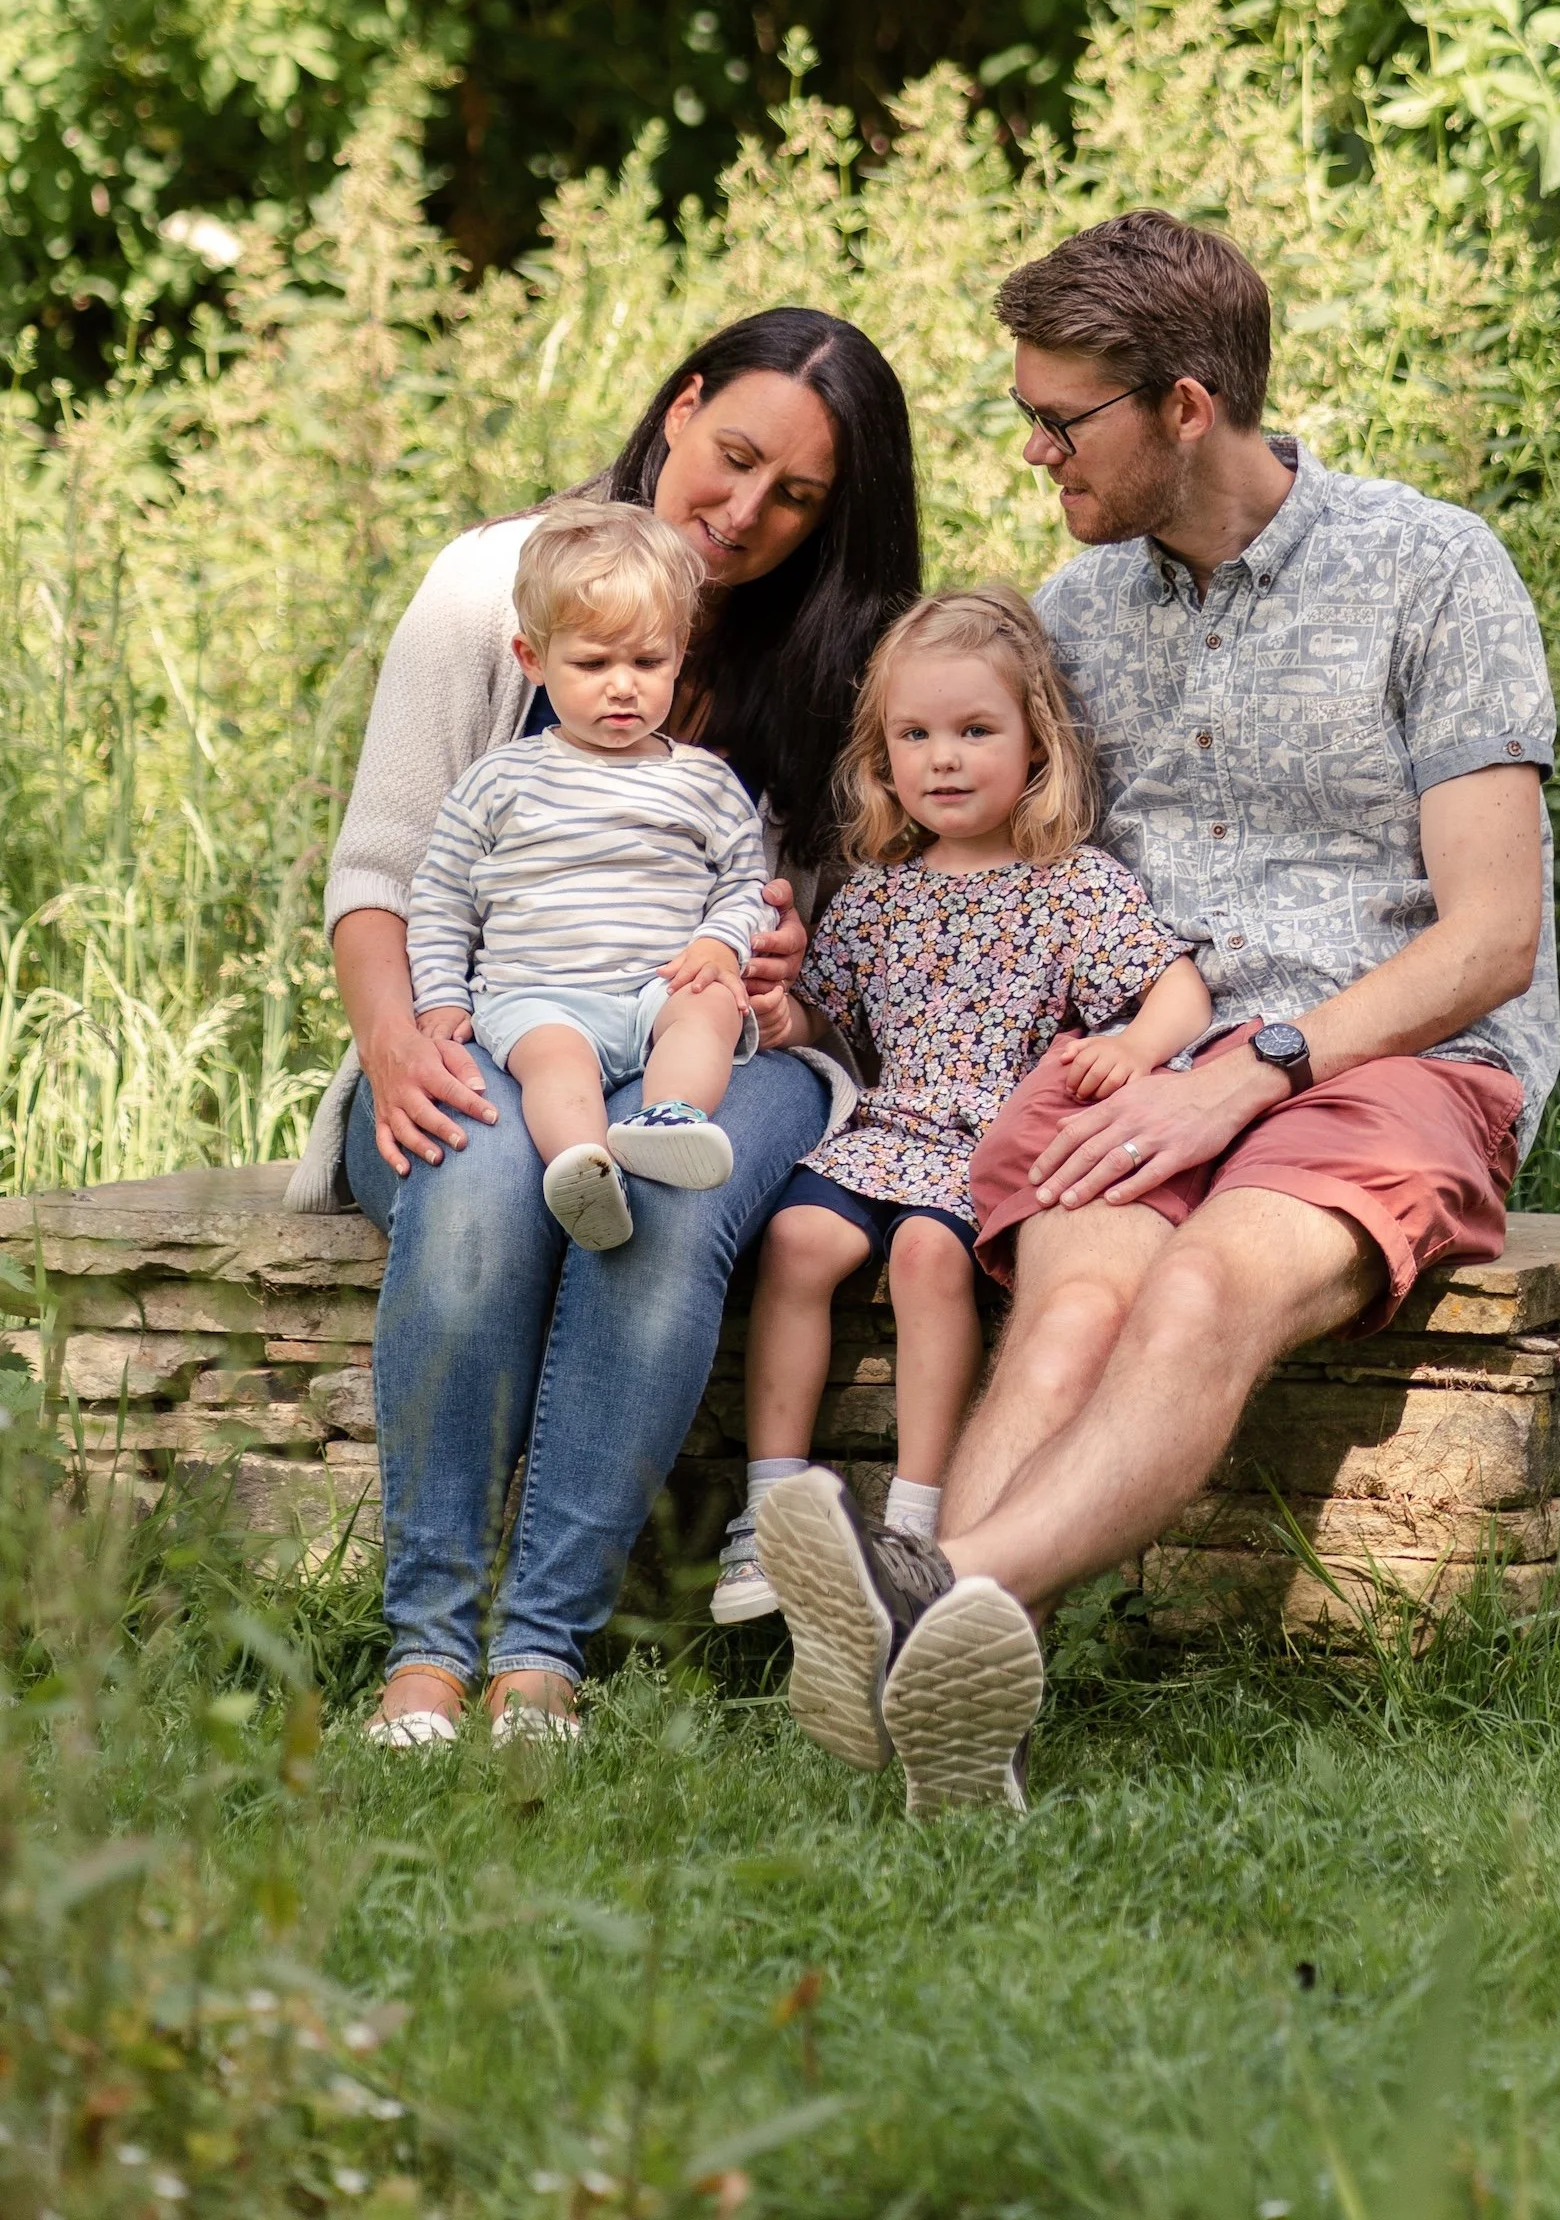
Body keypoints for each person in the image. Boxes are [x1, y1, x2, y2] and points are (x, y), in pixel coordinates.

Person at [755, 211, 1559, 1817]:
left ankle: (922, 1591)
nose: (1037, 450)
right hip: (1133, 1056)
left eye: (1064, 421)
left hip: (1386, 1058)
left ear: (1188, 406)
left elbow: (1492, 937)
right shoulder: (1079, 613)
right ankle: (965, 1733)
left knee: (1199, 1297)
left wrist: (1256, 1066)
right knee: (1061, 1318)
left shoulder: (1432, 569)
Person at [284, 307, 921, 1750]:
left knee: (661, 1200)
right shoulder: (493, 591)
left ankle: (542, 1657)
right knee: (484, 1176)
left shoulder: (842, 656)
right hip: (495, 1017)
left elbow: (849, 950)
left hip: (716, 1041)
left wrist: (783, 983)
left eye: (797, 496)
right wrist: (398, 1039)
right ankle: (427, 1647)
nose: (744, 511)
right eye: (734, 454)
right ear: (681, 406)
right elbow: (387, 869)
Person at [721, 588, 1209, 1694]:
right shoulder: (871, 897)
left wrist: (1135, 1053)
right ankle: (765, 1501)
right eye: (915, 736)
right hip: (882, 1126)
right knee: (796, 1243)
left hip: (986, 1142)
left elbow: (1175, 991)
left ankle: (916, 1515)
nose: (943, 760)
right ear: (881, 754)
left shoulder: (1070, 884)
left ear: (1035, 742)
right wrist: (781, 1017)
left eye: (975, 731)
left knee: (928, 1256)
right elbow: (831, 1022)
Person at [406, 504, 774, 1248]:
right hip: (540, 992)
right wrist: (441, 999)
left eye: (647, 662)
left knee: (711, 1009)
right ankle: (584, 1168)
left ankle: (668, 1119)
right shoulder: (499, 781)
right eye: (592, 664)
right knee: (555, 1066)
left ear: (680, 656)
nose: (622, 687)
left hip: (655, 986)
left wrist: (720, 945)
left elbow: (745, 883)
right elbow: (442, 899)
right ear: (533, 659)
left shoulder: (704, 783)